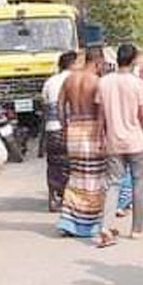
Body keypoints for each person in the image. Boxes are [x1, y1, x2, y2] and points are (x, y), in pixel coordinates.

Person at [98, 43, 143, 245]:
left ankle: (106, 228)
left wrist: (100, 138)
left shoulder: (104, 83)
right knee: (139, 185)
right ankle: (137, 229)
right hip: (136, 142)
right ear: (133, 60)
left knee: (112, 185)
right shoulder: (137, 83)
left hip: (114, 142)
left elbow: (101, 116)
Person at [56, 49, 108, 239]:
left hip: (74, 128)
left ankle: (70, 220)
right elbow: (101, 111)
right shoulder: (96, 82)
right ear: (98, 62)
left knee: (76, 175)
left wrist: (64, 127)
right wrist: (102, 134)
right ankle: (89, 224)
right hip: (91, 129)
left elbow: (60, 106)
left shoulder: (69, 80)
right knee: (93, 178)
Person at [42, 51, 79, 212]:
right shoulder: (76, 80)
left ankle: (53, 198)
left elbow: (44, 104)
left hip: (52, 129)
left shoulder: (50, 82)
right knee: (72, 165)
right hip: (71, 128)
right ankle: (69, 199)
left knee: (53, 164)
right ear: (73, 64)